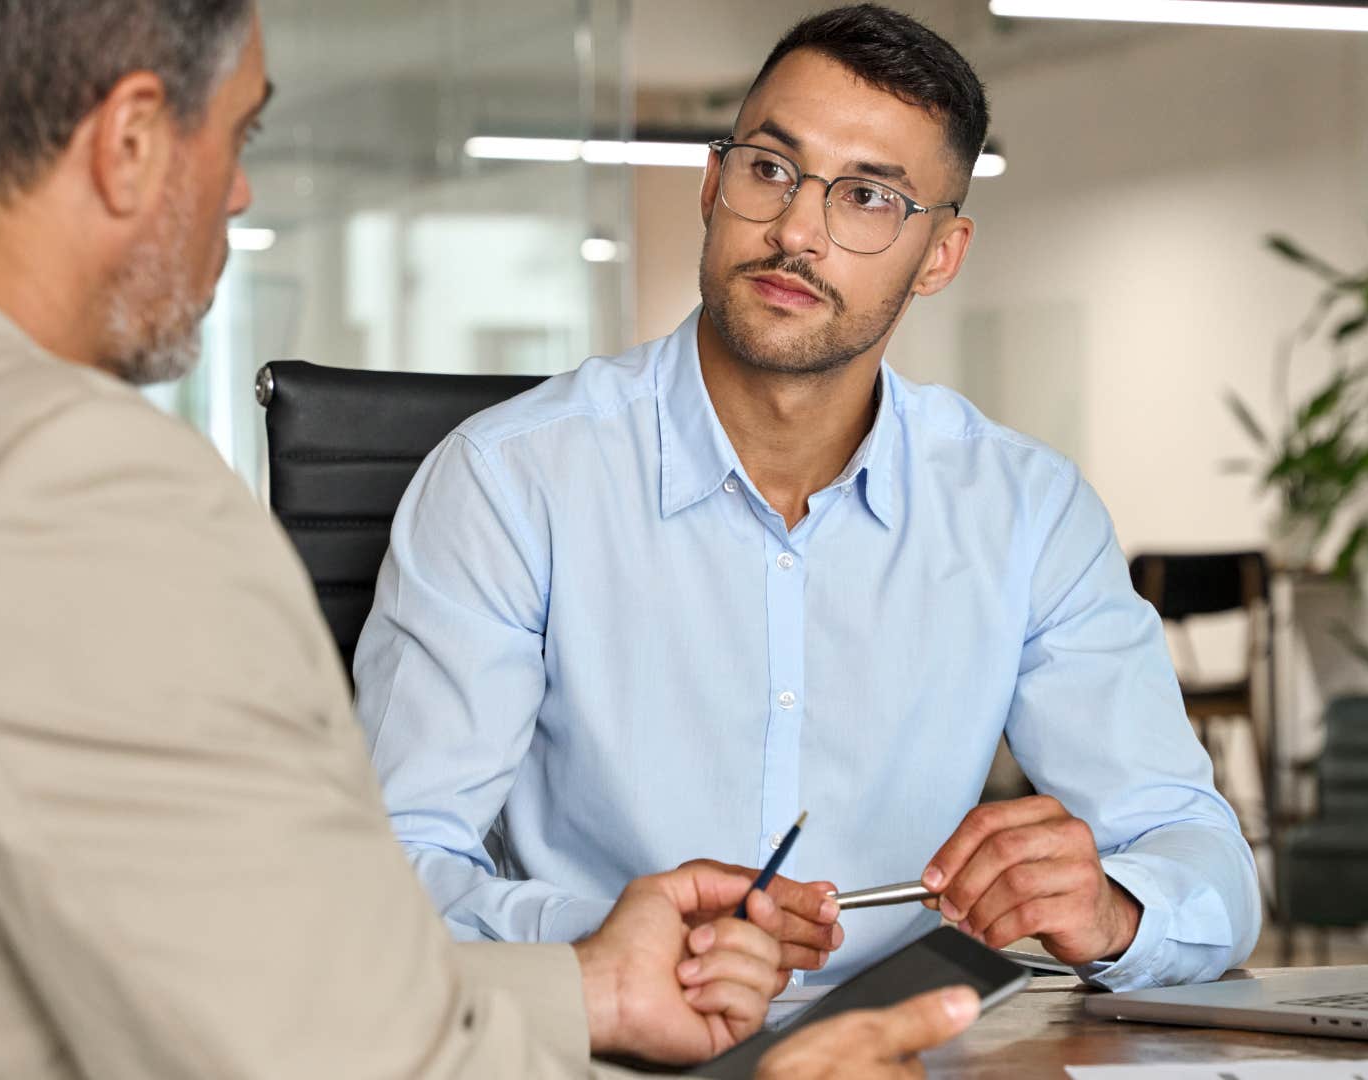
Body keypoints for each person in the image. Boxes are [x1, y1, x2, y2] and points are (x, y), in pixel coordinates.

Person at [0, 1, 981, 1075]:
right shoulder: (76, 492)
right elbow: (333, 1053)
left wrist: (592, 986)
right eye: (237, 136)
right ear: (132, 140)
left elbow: (241, 972)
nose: (239, 194)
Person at [356, 3, 1261, 991]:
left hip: (911, 1053)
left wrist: (1115, 908)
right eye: (771, 169)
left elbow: (1197, 851)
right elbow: (388, 871)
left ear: (942, 257)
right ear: (713, 183)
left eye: (869, 197)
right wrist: (610, 945)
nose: (796, 229)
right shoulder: (510, 482)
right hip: (608, 1052)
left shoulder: (1025, 513)